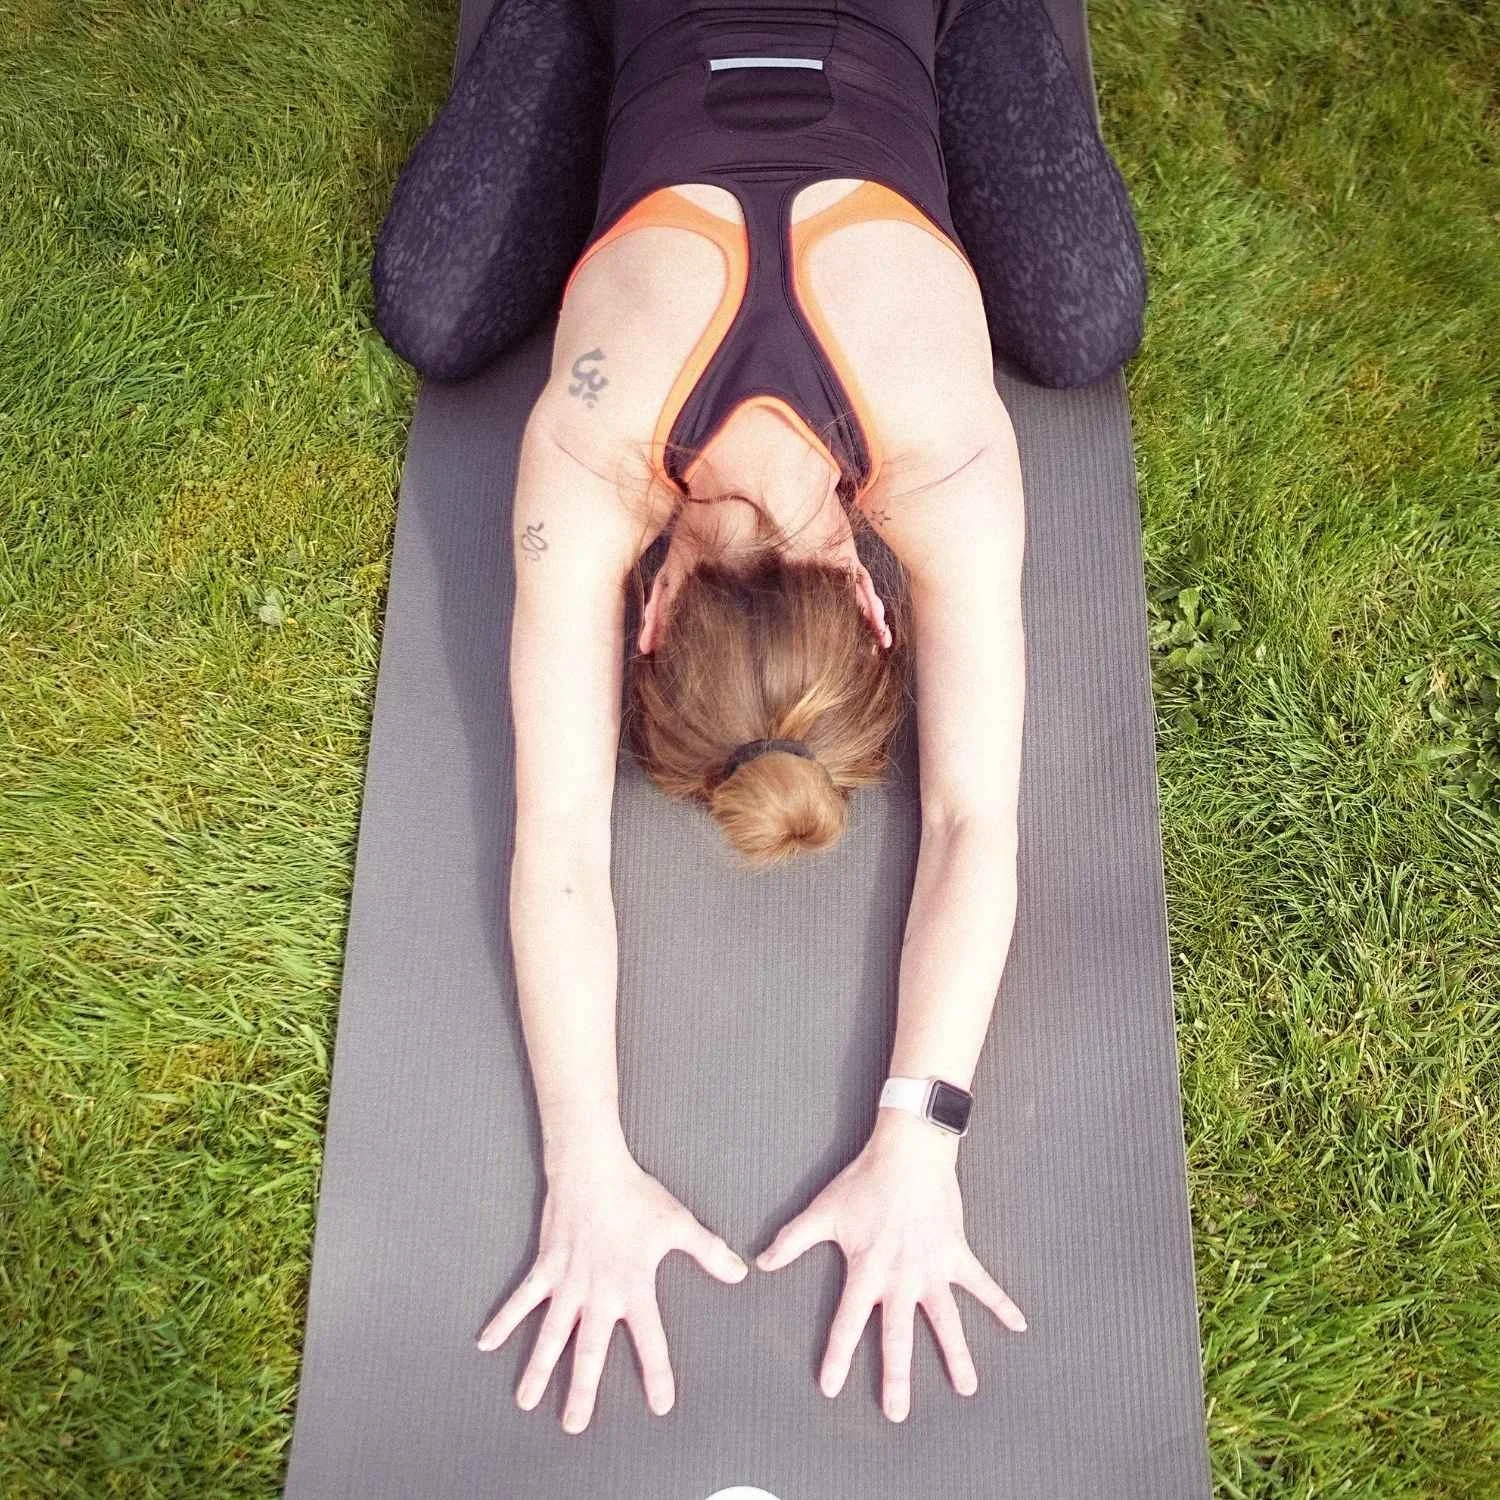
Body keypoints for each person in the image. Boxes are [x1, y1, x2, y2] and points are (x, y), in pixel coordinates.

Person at [373, 0, 1144, 1436]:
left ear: (877, 615)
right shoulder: (594, 457)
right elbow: (554, 844)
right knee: (431, 309)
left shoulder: (946, 452)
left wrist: (922, 1136)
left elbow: (979, 818)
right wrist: (587, 1166)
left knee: (1090, 322)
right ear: (650, 621)